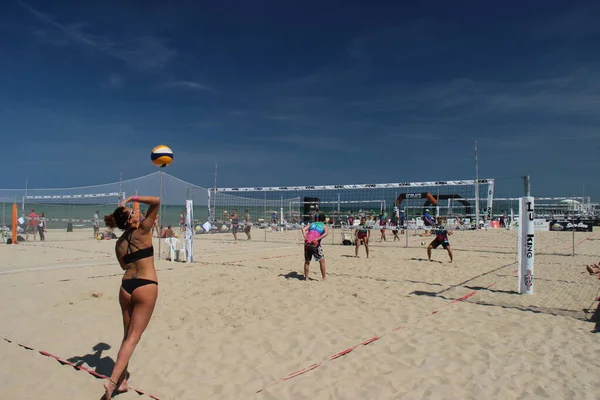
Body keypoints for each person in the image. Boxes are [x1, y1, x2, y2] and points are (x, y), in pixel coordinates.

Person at [102, 195, 160, 400]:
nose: (137, 213)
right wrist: (133, 198)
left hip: (126, 287)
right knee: (133, 337)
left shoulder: (118, 244)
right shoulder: (143, 231)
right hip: (145, 285)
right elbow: (156, 201)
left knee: (127, 336)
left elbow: (124, 265)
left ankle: (122, 381)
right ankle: (111, 382)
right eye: (133, 213)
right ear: (130, 221)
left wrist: (125, 208)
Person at [301, 213, 329, 281]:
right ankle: (324, 278)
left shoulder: (312, 224)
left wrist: (305, 236)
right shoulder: (324, 226)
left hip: (307, 243)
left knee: (307, 261)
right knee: (322, 261)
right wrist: (318, 238)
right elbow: (326, 233)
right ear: (324, 220)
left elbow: (303, 229)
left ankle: (306, 278)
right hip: (315, 244)